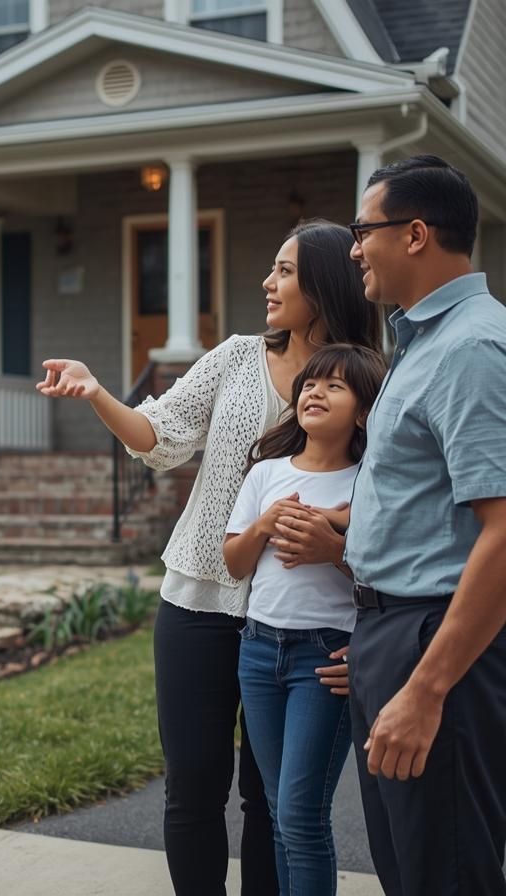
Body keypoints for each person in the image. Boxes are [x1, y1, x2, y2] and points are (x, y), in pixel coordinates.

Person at [37, 220, 381, 896]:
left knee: (272, 801)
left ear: (324, 284)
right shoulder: (235, 356)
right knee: (193, 787)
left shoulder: (364, 383)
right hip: (197, 598)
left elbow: (382, 512)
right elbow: (160, 436)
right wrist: (96, 389)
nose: (268, 282)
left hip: (297, 620)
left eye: (284, 270)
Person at [340, 154, 506, 895]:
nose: (355, 246)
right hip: (397, 631)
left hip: (442, 643)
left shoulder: (472, 349)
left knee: (446, 876)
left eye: (365, 229)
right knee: (412, 870)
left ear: (418, 233)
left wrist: (426, 688)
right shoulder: (424, 339)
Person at [224, 344, 387, 896]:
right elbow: (235, 562)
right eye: (312, 383)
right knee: (277, 812)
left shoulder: (370, 483)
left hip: (325, 658)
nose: (315, 391)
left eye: (335, 386)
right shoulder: (266, 474)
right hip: (258, 650)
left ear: (363, 412)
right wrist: (266, 523)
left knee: (299, 814)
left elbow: (382, 579)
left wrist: (334, 545)